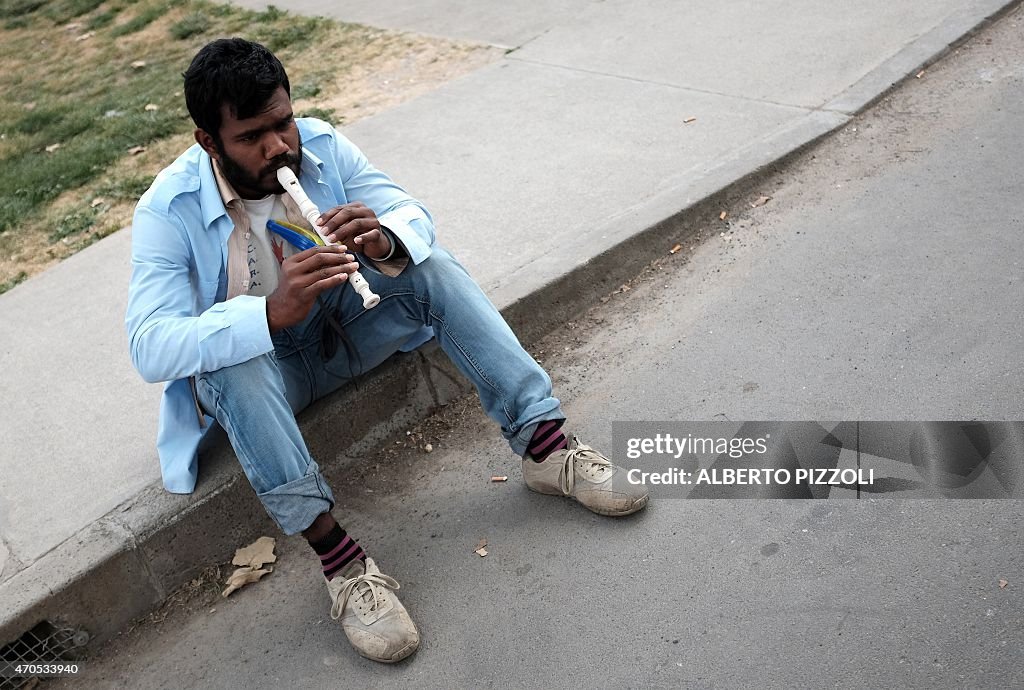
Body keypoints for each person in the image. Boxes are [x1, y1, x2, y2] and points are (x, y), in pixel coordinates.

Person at [125, 37, 648, 664]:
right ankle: (342, 564)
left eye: (283, 123)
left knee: (430, 266)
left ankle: (545, 446)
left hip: (344, 333)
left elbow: (412, 212)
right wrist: (268, 312)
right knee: (227, 362)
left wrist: (383, 238)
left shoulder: (318, 141)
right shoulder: (168, 207)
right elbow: (149, 346)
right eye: (251, 138)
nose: (279, 147)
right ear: (209, 141)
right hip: (268, 374)